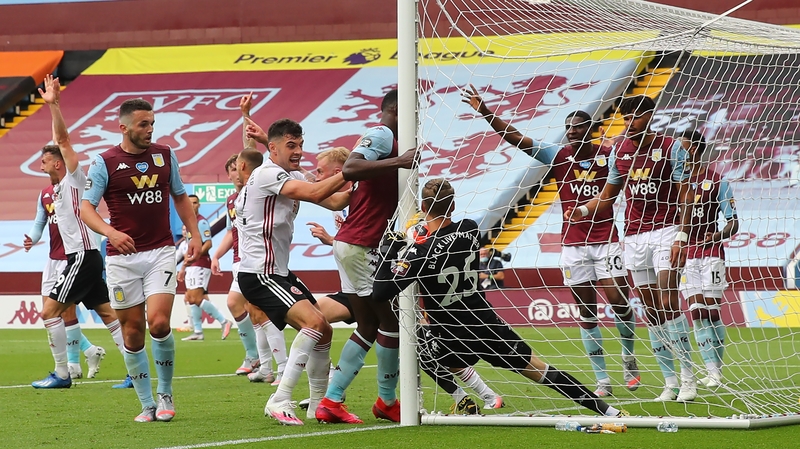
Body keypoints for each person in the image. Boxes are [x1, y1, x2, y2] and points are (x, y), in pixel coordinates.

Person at [373, 178, 627, 418]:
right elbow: (444, 240)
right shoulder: (469, 229)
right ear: (453, 205)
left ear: (424, 207)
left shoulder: (420, 254)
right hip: (485, 324)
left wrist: (392, 250)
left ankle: (464, 396)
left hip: (451, 335)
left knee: (416, 344)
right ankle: (609, 412)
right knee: (542, 371)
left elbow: (380, 292)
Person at [462, 87, 641, 396]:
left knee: (618, 301)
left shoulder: (610, 154)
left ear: (591, 129)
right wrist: (487, 112)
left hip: (606, 240)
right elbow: (516, 138)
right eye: (568, 127)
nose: (572, 131)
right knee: (586, 310)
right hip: (573, 245)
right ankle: (602, 381)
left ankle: (628, 357)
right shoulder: (558, 155)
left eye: (578, 126)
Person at [565, 95, 695, 402]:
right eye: (626, 117)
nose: (629, 122)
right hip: (634, 237)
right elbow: (609, 193)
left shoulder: (671, 147)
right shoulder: (619, 151)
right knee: (651, 310)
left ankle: (689, 377)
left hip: (666, 231)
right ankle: (670, 381)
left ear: (650, 116)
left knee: (667, 299)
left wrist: (682, 236)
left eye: (635, 116)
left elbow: (685, 194)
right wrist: (583, 210)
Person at [81, 97, 202, 422]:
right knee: (132, 332)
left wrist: (195, 235)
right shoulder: (103, 162)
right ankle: (147, 403)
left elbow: (179, 195)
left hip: (161, 251)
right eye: (143, 124)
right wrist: (111, 233)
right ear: (123, 127)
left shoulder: (165, 155)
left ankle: (165, 394)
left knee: (159, 323)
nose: (150, 130)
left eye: (152, 124)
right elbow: (86, 208)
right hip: (122, 258)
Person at [315, 89, 418, 424]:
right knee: (390, 323)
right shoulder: (381, 134)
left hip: (355, 244)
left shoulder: (391, 140)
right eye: (413, 106)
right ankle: (386, 401)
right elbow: (352, 166)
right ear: (396, 109)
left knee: (370, 324)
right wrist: (399, 162)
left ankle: (331, 401)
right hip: (362, 246)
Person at [237, 118, 350, 425]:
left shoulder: (288, 173)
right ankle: (280, 398)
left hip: (280, 272)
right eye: (291, 145)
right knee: (313, 322)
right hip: (260, 273)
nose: (299, 150)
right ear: (272, 149)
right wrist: (353, 170)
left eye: (300, 144)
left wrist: (370, 183)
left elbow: (336, 199)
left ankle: (316, 405)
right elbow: (315, 194)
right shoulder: (268, 174)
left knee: (323, 328)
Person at [29, 75, 126, 391]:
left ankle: (62, 373)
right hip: (88, 257)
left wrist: (54, 105)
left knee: (50, 311)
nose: (42, 166)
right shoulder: (54, 189)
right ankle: (135, 371)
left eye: (46, 161)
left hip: (81, 257)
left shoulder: (73, 178)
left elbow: (64, 141)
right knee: (108, 314)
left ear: (58, 163)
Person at [24, 183, 106, 380]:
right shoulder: (44, 194)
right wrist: (32, 239)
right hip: (52, 260)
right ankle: (89, 351)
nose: (43, 166)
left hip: (71, 259)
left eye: (47, 161)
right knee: (50, 314)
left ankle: (73, 365)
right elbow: (39, 223)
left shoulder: (75, 189)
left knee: (67, 312)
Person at [679, 130, 738, 389]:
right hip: (685, 254)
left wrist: (717, 234)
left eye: (683, 148)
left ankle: (718, 369)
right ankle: (711, 371)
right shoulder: (672, 182)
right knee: (697, 312)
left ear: (696, 150)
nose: (679, 153)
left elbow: (733, 222)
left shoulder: (717, 181)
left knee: (712, 312)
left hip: (711, 253)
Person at [178, 194, 232, 341]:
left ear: (199, 205)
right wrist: (184, 267)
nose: (192, 205)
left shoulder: (201, 222)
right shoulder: (190, 222)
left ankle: (224, 321)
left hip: (200, 263)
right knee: (190, 297)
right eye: (190, 203)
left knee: (195, 297)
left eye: (195, 203)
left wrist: (194, 256)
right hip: (192, 264)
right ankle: (198, 331)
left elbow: (208, 243)